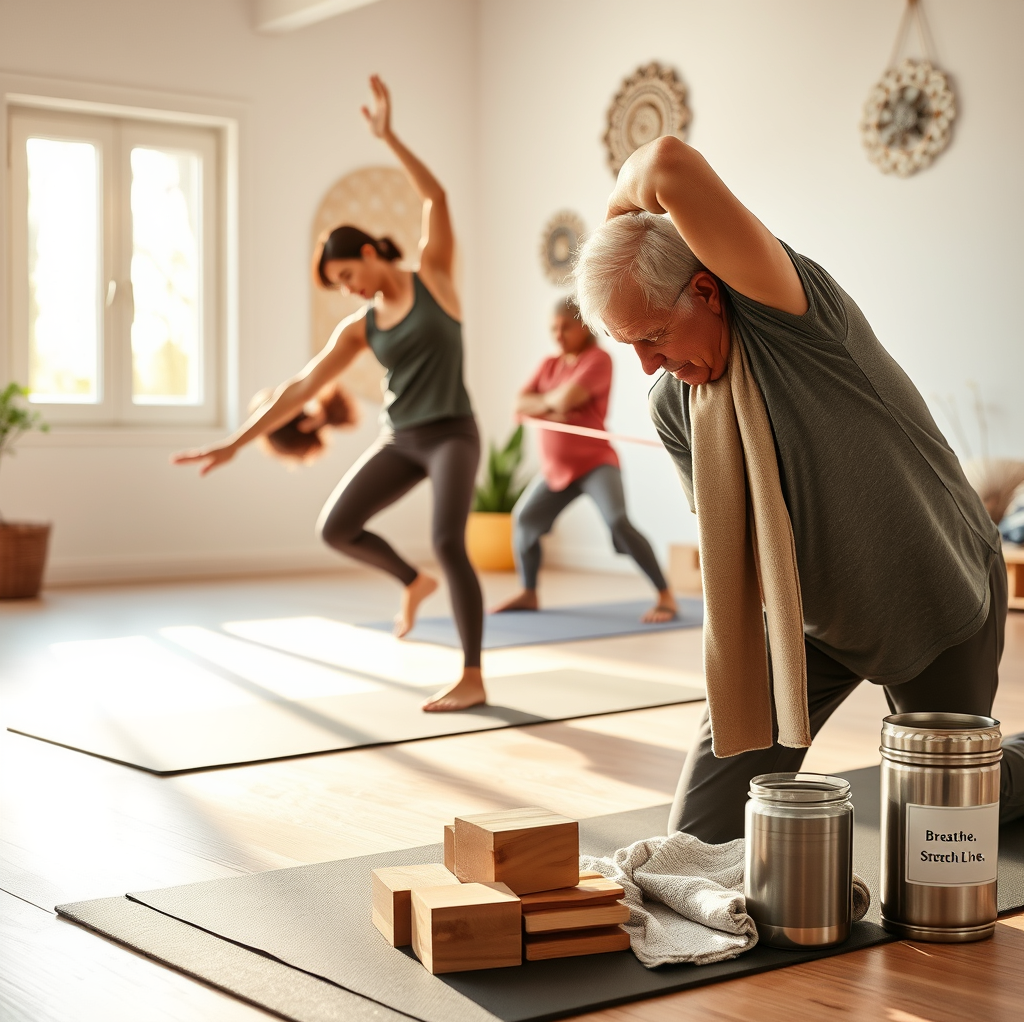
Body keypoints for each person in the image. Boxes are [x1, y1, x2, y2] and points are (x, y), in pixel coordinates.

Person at [573, 134, 1024, 840]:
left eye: (655, 335)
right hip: (805, 622)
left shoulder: (791, 318)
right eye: (627, 342)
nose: (646, 364)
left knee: (949, 827)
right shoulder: (673, 404)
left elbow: (665, 163)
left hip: (932, 591)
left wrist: (617, 223)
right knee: (696, 841)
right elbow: (739, 553)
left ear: (706, 290)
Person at [173, 75, 485, 713]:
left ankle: (472, 672)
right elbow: (299, 388)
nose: (347, 288)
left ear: (369, 252)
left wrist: (388, 136)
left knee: (451, 538)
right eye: (339, 283)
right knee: (336, 527)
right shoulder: (359, 327)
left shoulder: (435, 277)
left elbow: (437, 194)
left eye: (347, 274)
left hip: (453, 430)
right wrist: (235, 443)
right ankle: (411, 579)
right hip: (403, 438)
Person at [492, 297, 676, 622]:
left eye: (565, 327)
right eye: (553, 328)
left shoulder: (599, 359)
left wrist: (547, 402)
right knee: (524, 519)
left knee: (619, 522)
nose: (558, 335)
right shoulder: (549, 365)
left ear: (582, 327)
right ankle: (529, 592)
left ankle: (665, 595)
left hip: (596, 464)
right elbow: (520, 403)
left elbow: (568, 399)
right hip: (555, 471)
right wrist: (552, 403)